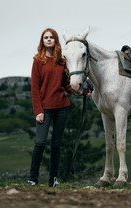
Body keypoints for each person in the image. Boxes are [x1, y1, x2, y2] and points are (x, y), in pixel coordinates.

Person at [28, 28, 90, 187]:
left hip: (61, 108)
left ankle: (52, 180)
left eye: (51, 37)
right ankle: (33, 179)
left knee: (56, 145)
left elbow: (66, 86)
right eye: (45, 37)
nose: (48, 40)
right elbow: (34, 89)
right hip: (45, 110)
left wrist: (81, 93)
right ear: (42, 41)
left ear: (56, 41)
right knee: (40, 143)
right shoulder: (38, 61)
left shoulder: (62, 62)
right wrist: (38, 111)